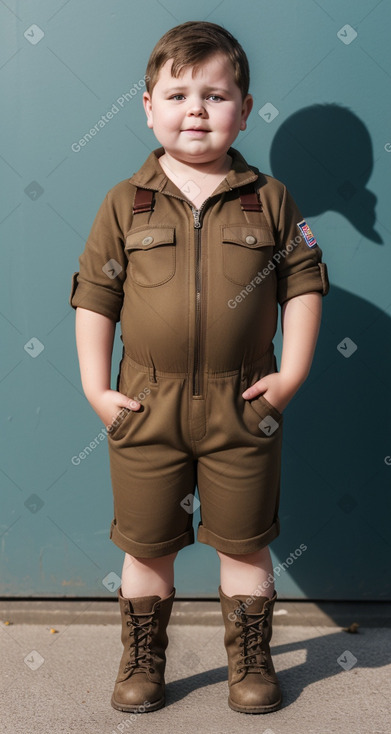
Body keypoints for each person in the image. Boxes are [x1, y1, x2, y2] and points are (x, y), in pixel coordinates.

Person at [69, 20, 329, 715]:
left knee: (244, 545)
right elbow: (95, 296)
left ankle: (250, 659)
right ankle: (142, 659)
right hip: (144, 405)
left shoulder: (270, 201)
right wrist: (97, 388)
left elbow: (304, 284)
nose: (196, 109)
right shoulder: (126, 203)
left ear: (244, 110)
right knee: (146, 546)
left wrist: (291, 376)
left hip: (242, 405)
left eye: (215, 96)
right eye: (177, 93)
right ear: (147, 106)